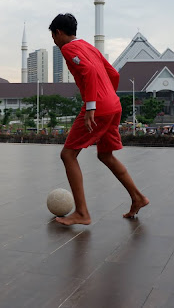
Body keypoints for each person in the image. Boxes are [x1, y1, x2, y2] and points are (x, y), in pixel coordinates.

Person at [49, 13, 149, 226]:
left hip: (100, 107)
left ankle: (82, 213)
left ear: (58, 32)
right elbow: (113, 73)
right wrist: (107, 96)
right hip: (114, 105)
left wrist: (93, 105)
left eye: (53, 36)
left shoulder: (68, 49)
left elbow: (89, 71)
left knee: (68, 155)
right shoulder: (88, 46)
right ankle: (138, 198)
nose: (54, 42)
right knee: (105, 155)